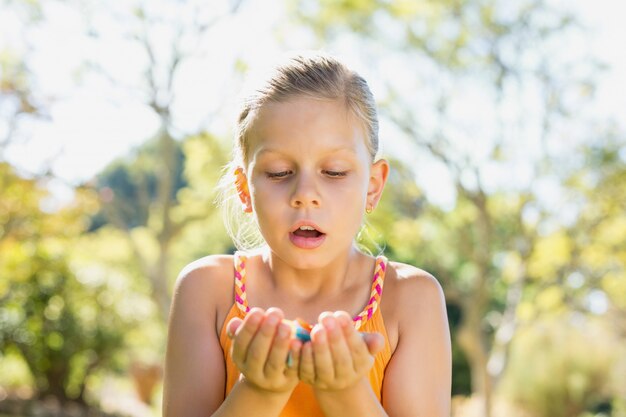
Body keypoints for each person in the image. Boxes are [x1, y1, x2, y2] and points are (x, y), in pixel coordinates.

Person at [162, 52, 451, 417]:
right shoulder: (207, 291)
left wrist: (345, 392)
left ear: (373, 187)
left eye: (333, 171)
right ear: (245, 189)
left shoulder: (411, 299)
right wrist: (259, 391)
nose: (305, 194)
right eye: (280, 172)